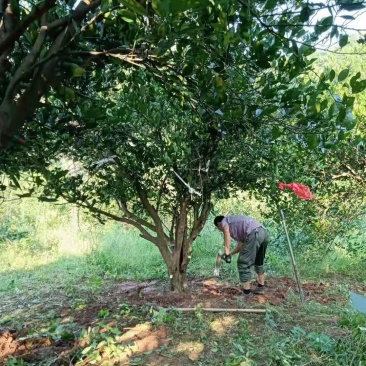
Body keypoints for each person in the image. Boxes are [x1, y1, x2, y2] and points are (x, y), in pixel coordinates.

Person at [214, 214, 269, 298]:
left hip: (254, 233)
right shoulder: (236, 226)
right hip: (263, 233)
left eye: (219, 229)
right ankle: (261, 287)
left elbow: (226, 234)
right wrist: (229, 254)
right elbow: (240, 246)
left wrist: (227, 251)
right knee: (258, 261)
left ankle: (246, 293)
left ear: (219, 224)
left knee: (243, 262)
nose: (221, 230)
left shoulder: (224, 221)